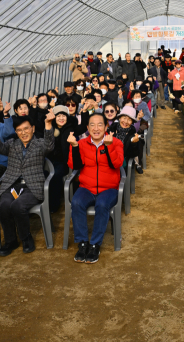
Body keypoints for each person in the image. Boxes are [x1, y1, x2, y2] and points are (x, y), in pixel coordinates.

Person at [0, 110, 55, 256]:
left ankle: (26, 238)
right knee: (4, 206)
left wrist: (48, 124)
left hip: (32, 186)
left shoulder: (40, 144)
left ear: (33, 128)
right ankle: (10, 241)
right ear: (16, 132)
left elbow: (49, 145)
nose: (23, 133)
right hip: (12, 185)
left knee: (18, 206)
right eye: (19, 130)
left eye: (26, 129)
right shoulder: (12, 144)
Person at [68, 113, 124, 264]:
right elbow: (74, 165)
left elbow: (117, 164)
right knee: (76, 202)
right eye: (92, 125)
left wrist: (109, 146)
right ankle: (82, 243)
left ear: (106, 127)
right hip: (87, 187)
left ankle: (95, 245)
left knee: (102, 204)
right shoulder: (81, 143)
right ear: (87, 127)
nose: (96, 128)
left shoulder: (116, 142)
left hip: (109, 188)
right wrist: (74, 147)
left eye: (100, 124)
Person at [45, 105, 78, 212]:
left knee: (55, 175)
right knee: (42, 174)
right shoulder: (50, 128)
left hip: (63, 162)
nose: (61, 118)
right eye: (58, 116)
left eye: (64, 116)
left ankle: (53, 205)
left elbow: (81, 127)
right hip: (48, 160)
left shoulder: (71, 129)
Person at [107, 106, 144, 174]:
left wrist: (133, 144)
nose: (126, 122)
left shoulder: (132, 134)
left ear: (132, 122)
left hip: (121, 162)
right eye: (124, 118)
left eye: (129, 120)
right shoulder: (111, 129)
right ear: (120, 118)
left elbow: (133, 154)